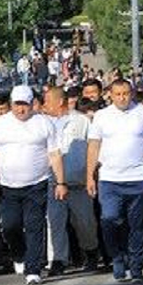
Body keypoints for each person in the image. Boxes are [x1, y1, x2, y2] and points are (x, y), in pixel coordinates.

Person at [0, 85, 67, 285]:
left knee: (34, 226)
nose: (21, 109)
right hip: (8, 185)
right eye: (17, 105)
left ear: (32, 104)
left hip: (36, 184)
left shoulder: (44, 123)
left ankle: (33, 268)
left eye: (25, 105)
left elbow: (54, 154)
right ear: (11, 104)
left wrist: (61, 182)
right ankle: (19, 253)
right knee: (10, 226)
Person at [87, 78, 143, 282]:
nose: (122, 98)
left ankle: (136, 266)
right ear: (110, 95)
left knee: (137, 224)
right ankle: (117, 256)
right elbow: (94, 146)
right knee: (109, 220)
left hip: (139, 178)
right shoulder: (102, 116)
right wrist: (90, 175)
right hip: (110, 179)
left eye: (126, 93)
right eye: (118, 94)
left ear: (131, 93)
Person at [42, 86, 100, 274]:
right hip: (53, 183)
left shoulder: (82, 121)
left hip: (79, 183)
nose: (44, 105)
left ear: (60, 102)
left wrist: (92, 174)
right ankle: (58, 260)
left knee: (85, 223)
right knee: (55, 222)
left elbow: (94, 147)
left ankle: (91, 252)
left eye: (47, 101)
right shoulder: (43, 122)